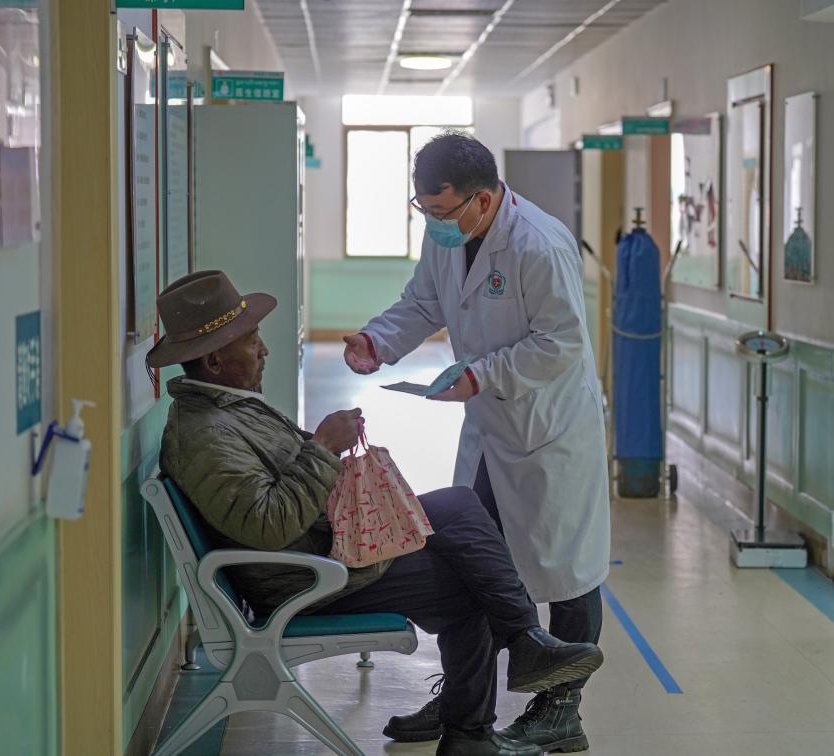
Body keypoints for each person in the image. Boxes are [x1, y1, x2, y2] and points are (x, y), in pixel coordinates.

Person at [148, 270, 605, 756]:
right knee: (467, 582)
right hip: (307, 576)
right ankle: (474, 726)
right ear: (214, 360)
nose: (264, 350)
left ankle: (523, 640)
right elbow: (267, 525)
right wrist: (322, 448)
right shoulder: (207, 435)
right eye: (251, 340)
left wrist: (321, 453)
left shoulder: (226, 410)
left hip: (321, 546)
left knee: (458, 504)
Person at [343, 132, 610, 752]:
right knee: (470, 557)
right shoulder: (449, 234)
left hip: (548, 427)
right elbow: (423, 303)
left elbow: (561, 343)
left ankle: (561, 712)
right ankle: (464, 701)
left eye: (441, 211)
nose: (432, 222)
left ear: (483, 200)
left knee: (567, 569)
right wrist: (377, 341)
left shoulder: (539, 245)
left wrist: (481, 375)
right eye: (424, 209)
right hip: (490, 424)